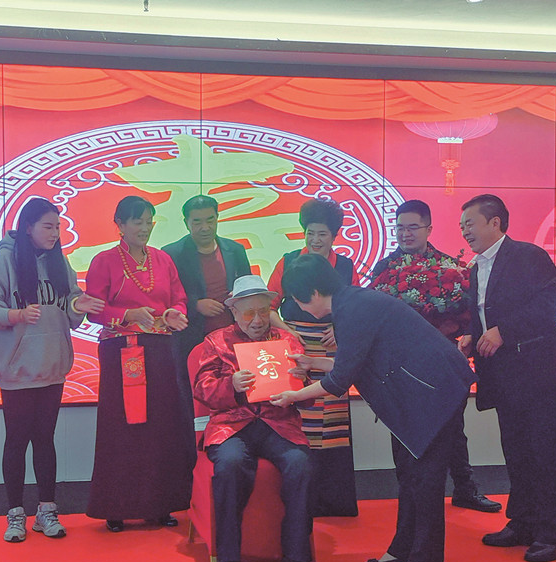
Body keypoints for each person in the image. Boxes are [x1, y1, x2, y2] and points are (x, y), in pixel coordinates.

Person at [271, 254, 477, 562]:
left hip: (433, 393)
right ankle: (403, 549)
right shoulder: (351, 302)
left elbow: (340, 380)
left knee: (424, 479)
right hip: (417, 394)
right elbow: (356, 362)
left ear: (312, 293)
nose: (298, 306)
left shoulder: (353, 309)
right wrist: (311, 362)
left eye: (297, 299)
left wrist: (293, 395)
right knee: (409, 475)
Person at [0, 196, 105, 542]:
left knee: (45, 439)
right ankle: (15, 514)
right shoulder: (4, 260)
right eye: (48, 226)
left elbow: (70, 308)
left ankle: (47, 510)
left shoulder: (60, 261)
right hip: (17, 369)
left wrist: (80, 305)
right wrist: (15, 315)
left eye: (57, 226)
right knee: (17, 440)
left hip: (52, 366)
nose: (54, 233)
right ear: (28, 227)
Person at [458, 194, 556, 562]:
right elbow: (486, 315)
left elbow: (548, 306)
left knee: (545, 455)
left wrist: (503, 332)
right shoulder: (476, 268)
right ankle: (523, 523)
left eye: (470, 224)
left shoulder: (527, 256)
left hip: (538, 376)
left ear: (494, 222)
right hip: (504, 377)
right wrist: (473, 336)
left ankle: (553, 533)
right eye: (462, 227)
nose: (465, 232)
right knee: (517, 453)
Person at [370, 199, 502, 514]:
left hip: (442, 364)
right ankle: (409, 493)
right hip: (401, 368)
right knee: (402, 429)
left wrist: (464, 334)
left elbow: (472, 316)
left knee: (452, 428)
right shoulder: (384, 269)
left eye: (412, 227)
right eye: (400, 228)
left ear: (428, 229)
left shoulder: (451, 268)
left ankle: (465, 489)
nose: (405, 234)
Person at [194, 274, 318, 562]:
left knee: (300, 464)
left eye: (263, 311)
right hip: (232, 425)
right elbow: (202, 389)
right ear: (234, 312)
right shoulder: (216, 341)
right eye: (249, 313)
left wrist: (301, 380)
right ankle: (227, 559)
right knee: (230, 463)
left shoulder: (287, 340)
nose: (258, 320)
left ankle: (296, 558)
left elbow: (309, 397)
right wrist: (231, 386)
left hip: (280, 423)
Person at [84, 195, 195, 533]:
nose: (144, 228)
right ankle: (116, 506)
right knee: (122, 427)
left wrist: (175, 313)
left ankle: (160, 505)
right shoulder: (104, 261)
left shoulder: (162, 259)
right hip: (121, 351)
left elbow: (178, 298)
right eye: (137, 222)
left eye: (149, 221)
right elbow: (93, 309)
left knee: (161, 426)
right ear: (119, 224)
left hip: (160, 349)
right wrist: (127, 314)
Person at [267, 198, 359, 518]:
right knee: (298, 418)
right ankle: (297, 499)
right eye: (310, 233)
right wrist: (289, 332)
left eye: (322, 234)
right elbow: (269, 307)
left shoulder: (345, 266)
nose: (315, 240)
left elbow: (354, 306)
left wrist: (340, 326)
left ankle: (332, 501)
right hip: (295, 348)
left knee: (332, 425)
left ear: (334, 235)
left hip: (331, 349)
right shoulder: (288, 261)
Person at [162, 195, 251, 420]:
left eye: (210, 220)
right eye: (197, 222)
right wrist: (195, 305)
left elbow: (248, 288)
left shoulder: (235, 250)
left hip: (232, 338)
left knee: (235, 393)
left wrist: (239, 298)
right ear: (186, 223)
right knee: (191, 396)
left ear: (217, 218)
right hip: (192, 338)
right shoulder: (172, 253)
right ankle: (193, 439)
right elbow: (165, 297)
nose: (205, 227)